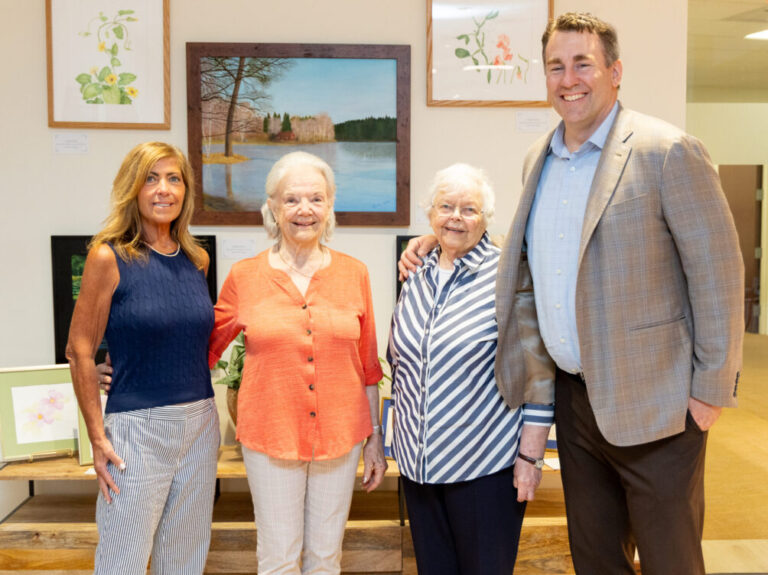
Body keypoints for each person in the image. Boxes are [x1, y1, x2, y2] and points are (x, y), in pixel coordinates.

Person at [400, 13, 744, 575]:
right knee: (595, 559)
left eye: (583, 63)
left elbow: (719, 273)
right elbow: (529, 261)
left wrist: (709, 392)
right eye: (556, 66)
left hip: (656, 404)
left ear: (614, 71)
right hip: (576, 405)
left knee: (670, 560)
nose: (569, 78)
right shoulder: (541, 157)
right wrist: (437, 239)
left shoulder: (667, 150)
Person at [208, 151, 386, 574]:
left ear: (329, 207)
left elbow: (368, 366)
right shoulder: (245, 276)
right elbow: (202, 348)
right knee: (278, 557)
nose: (304, 210)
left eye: (316, 199)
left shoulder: (354, 273)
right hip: (271, 437)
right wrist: (125, 365)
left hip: (341, 438)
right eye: (291, 200)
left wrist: (375, 438)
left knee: (326, 557)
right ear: (272, 207)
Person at [388, 164, 553, 575]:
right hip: (419, 467)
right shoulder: (416, 271)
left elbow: (538, 371)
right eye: (446, 206)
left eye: (469, 209)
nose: (455, 217)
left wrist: (530, 459)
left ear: (485, 219)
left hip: (483, 467)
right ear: (430, 214)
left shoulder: (506, 275)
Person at [67, 142, 220, 575]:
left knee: (186, 561)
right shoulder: (107, 256)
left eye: (174, 179)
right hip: (136, 430)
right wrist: (98, 439)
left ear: (186, 191)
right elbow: (79, 348)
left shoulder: (197, 260)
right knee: (123, 563)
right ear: (132, 189)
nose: (163, 189)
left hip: (201, 425)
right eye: (151, 178)